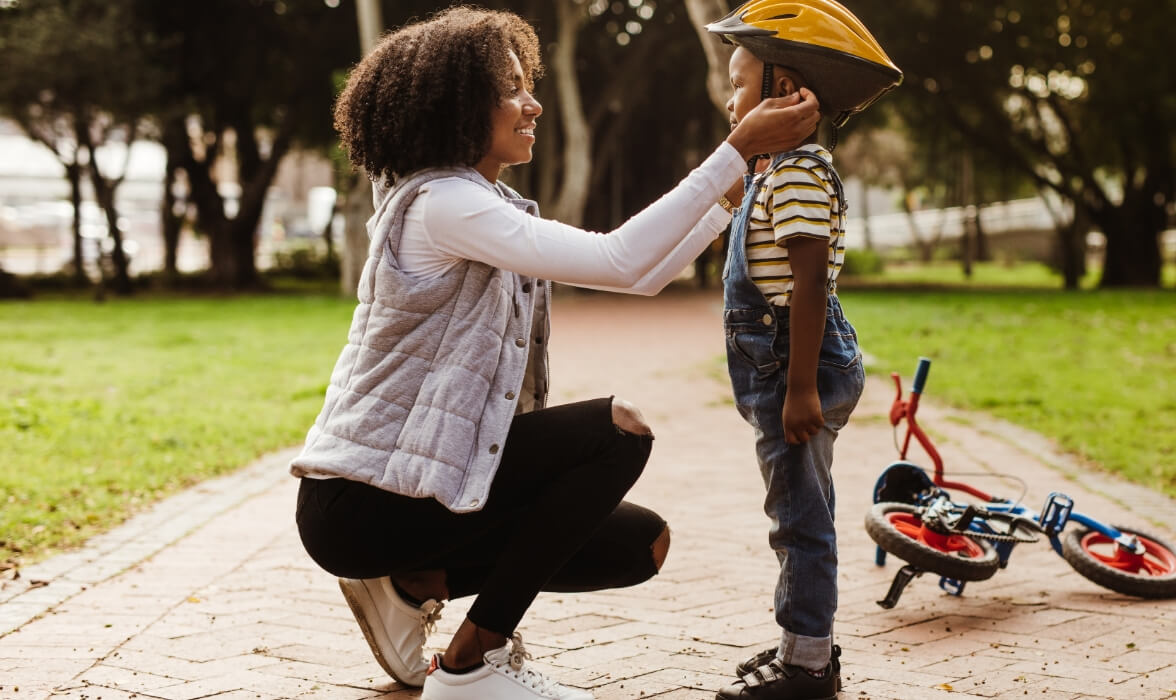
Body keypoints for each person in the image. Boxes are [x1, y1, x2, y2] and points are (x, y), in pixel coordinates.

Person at [289, 7, 820, 700]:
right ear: (457, 105)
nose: (531, 103)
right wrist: (735, 150)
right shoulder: (443, 204)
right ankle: (469, 666)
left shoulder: (483, 201)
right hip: (359, 500)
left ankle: (416, 581)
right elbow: (621, 258)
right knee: (618, 430)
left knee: (639, 544)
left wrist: (726, 193)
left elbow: (645, 275)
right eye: (511, 89)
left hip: (419, 487)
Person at [704, 2, 901, 699]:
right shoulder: (771, 171)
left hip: (799, 363)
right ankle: (801, 645)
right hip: (790, 362)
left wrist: (799, 388)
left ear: (783, 92)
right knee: (797, 511)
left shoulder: (796, 173)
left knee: (800, 522)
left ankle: (809, 667)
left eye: (739, 81)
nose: (729, 98)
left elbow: (810, 280)